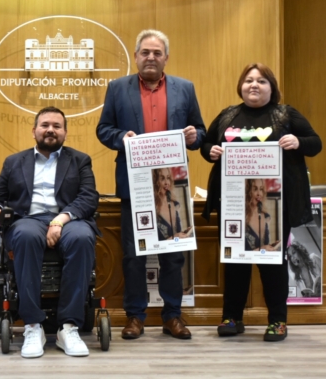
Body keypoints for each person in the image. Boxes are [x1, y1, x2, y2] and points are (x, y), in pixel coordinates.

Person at [96, 29, 206, 340]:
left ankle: (173, 316)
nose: (151, 57)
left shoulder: (185, 88)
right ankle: (135, 317)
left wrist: (194, 136)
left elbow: (200, 130)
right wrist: (122, 138)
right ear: (136, 56)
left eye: (157, 53)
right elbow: (103, 129)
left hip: (172, 185)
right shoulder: (118, 88)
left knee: (173, 255)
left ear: (166, 58)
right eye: (145, 52)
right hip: (136, 185)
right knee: (134, 256)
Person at [200, 62, 322, 341]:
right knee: (234, 262)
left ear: (272, 88)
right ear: (241, 86)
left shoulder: (285, 114)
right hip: (233, 203)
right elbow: (205, 146)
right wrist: (212, 150)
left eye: (262, 81)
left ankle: (277, 320)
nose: (254, 85)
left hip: (275, 205)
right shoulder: (228, 115)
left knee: (273, 263)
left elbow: (315, 142)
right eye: (248, 80)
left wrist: (297, 141)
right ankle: (232, 317)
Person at [0, 106, 99, 358]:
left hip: (68, 220)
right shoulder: (14, 162)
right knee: (24, 235)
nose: (50, 130)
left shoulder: (80, 160)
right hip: (28, 219)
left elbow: (88, 198)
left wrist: (60, 220)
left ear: (65, 133)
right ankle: (32, 325)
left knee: (82, 237)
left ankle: (68, 327)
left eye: (57, 126)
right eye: (45, 125)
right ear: (34, 130)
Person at [152, 168, 192, 241]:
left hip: (178, 251)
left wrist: (184, 233)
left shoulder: (176, 204)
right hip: (163, 252)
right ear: (155, 182)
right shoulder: (151, 208)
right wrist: (175, 237)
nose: (166, 182)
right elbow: (152, 244)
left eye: (168, 178)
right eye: (162, 178)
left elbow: (176, 236)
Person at [244, 179, 280, 252]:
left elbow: (264, 246)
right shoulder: (241, 217)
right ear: (247, 192)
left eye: (261, 189)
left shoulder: (266, 217)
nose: (259, 194)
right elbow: (238, 253)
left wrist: (271, 246)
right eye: (255, 189)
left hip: (262, 261)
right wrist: (262, 249)